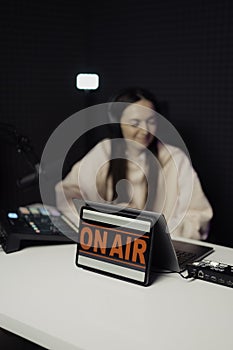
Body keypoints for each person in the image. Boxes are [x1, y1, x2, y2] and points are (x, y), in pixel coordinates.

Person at [55, 87, 213, 240]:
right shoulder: (104, 151)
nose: (145, 131)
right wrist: (104, 221)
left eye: (151, 121)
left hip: (159, 247)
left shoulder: (174, 158)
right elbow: (67, 194)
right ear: (117, 123)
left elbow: (198, 215)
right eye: (135, 123)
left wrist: (153, 231)